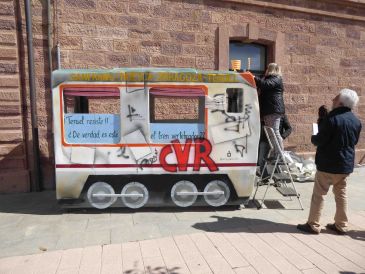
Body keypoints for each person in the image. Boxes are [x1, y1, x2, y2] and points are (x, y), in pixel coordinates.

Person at [297, 89, 362, 235]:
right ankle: (342, 224)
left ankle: (313, 224)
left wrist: (314, 135)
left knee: (319, 194)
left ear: (340, 102)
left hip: (327, 164)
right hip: (345, 165)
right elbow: (354, 141)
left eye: (335, 98)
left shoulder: (332, 119)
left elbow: (319, 140)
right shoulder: (356, 121)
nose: (332, 100)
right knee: (341, 194)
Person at [255, 63, 285, 151]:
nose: (266, 70)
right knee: (271, 133)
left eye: (267, 68)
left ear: (271, 69)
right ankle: (276, 152)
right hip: (270, 109)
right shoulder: (270, 78)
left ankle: (280, 153)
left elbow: (265, 84)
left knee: (275, 132)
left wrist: (253, 77)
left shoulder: (276, 78)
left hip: (273, 110)